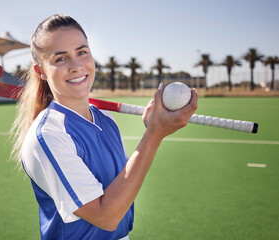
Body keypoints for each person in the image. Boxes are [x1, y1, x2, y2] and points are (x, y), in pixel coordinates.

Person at [10, 14, 197, 240]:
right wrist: (155, 134)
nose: (76, 65)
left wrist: (152, 129)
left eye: (82, 52)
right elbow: (106, 217)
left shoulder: (106, 118)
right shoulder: (49, 135)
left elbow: (123, 184)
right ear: (41, 71)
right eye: (61, 59)